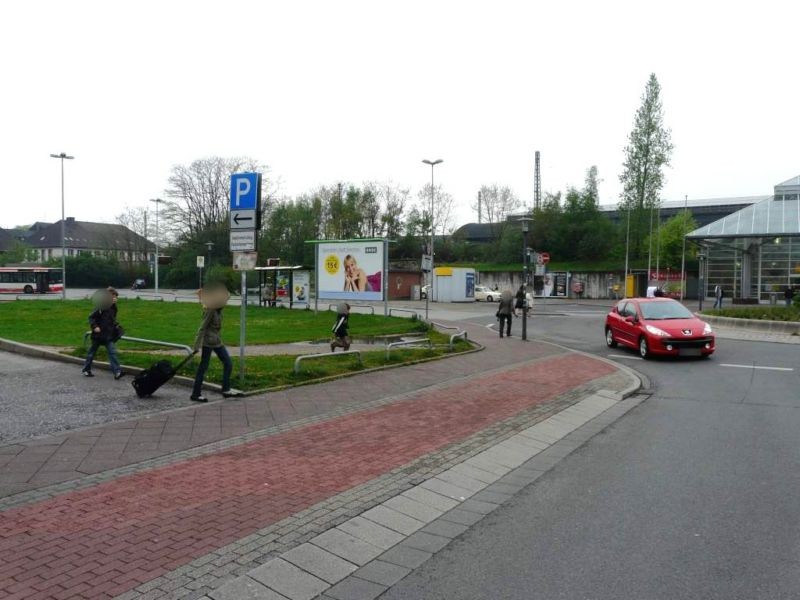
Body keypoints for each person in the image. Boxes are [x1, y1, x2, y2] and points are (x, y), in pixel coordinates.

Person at [191, 285, 239, 402]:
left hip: (217, 341)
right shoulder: (211, 310)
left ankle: (226, 389)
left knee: (228, 363)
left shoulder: (218, 310)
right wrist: (196, 346)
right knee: (203, 367)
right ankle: (195, 394)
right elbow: (202, 328)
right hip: (208, 342)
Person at [82, 287, 124, 379]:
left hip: (108, 335)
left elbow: (112, 319)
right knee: (91, 353)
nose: (115, 299)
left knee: (112, 352)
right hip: (98, 335)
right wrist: (95, 327)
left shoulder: (114, 308)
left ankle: (117, 372)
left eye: (115, 298)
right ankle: (86, 369)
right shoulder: (100, 307)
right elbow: (91, 317)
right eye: (113, 297)